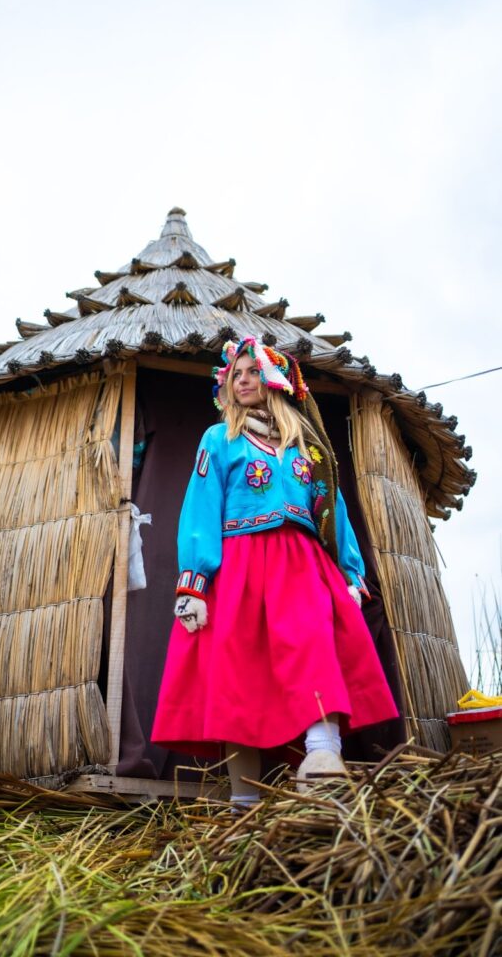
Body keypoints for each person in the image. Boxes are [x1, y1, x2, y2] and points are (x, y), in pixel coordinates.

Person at [150, 336, 399, 801]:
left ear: (276, 381)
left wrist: (349, 572)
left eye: (253, 372)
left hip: (302, 565)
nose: (244, 380)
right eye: (236, 375)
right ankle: (243, 800)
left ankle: (323, 758)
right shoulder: (219, 439)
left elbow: (334, 510)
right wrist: (195, 581)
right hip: (240, 569)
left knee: (312, 644)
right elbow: (200, 506)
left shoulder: (308, 447)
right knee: (238, 672)